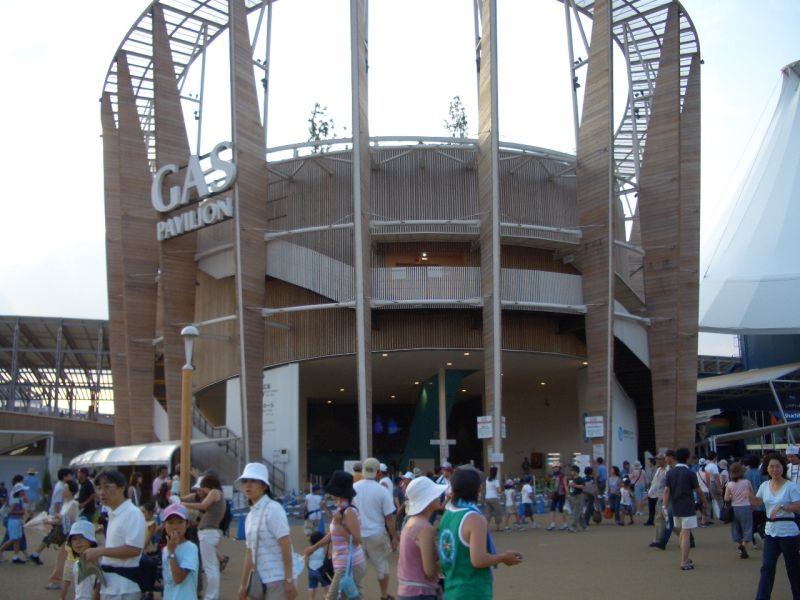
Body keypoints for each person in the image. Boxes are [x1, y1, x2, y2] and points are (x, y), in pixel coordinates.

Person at [437, 468, 522, 599]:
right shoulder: (474, 519)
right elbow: (478, 560)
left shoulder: (447, 516)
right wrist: (504, 557)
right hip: (472, 590)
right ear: (480, 488)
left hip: (451, 589)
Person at [236, 462, 298, 600]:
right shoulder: (250, 516)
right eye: (245, 481)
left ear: (264, 486)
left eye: (253, 481)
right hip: (260, 580)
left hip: (279, 579)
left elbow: (285, 543)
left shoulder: (273, 508)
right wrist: (243, 585)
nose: (248, 485)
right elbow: (249, 552)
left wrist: (289, 579)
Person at [81, 469, 146, 600]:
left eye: (107, 487)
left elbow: (134, 549)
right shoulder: (113, 513)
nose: (102, 492)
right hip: (110, 585)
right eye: (99, 488)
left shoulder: (132, 513)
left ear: (122, 488)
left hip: (125, 587)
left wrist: (100, 551)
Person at [305, 470, 366, 600]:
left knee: (333, 597)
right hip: (347, 564)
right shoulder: (342, 509)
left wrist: (338, 526)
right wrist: (314, 547)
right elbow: (331, 535)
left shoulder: (348, 512)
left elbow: (356, 540)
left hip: (348, 565)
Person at [748, 452, 800, 599]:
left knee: (793, 569)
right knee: (767, 567)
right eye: (771, 467)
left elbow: (798, 506)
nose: (775, 470)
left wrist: (784, 507)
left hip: (789, 532)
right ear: (767, 468)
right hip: (771, 532)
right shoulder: (765, 485)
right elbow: (758, 502)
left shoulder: (791, 486)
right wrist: (749, 495)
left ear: (783, 467)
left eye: (778, 466)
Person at [396, 474, 448, 599]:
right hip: (420, 593)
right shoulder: (425, 528)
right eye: (435, 494)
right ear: (428, 501)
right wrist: (449, 561)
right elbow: (429, 570)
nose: (439, 496)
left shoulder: (412, 522)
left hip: (407, 591)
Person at [353, 457, 398, 600]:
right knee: (381, 566)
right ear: (378, 472)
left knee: (358, 568)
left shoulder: (354, 488)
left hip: (357, 534)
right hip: (377, 533)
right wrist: (394, 537)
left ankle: (357, 596)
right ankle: (384, 595)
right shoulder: (382, 490)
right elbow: (389, 518)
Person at [181, 474, 226, 600]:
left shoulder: (214, 492)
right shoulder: (218, 494)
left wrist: (183, 504)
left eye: (203, 487)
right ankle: (213, 595)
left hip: (207, 532)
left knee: (209, 567)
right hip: (210, 532)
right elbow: (197, 499)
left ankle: (211, 596)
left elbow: (203, 506)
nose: (202, 490)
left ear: (208, 485)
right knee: (213, 567)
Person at [663, 447, 708, 571]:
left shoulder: (670, 473)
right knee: (686, 534)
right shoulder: (690, 473)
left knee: (682, 533)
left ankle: (685, 558)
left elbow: (666, 491)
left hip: (675, 507)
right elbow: (698, 491)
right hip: (687, 506)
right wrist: (705, 502)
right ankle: (684, 561)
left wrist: (664, 506)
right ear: (687, 458)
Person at [39, 479, 79, 590]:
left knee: (63, 559)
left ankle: (56, 581)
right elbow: (61, 519)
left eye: (66, 488)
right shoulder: (66, 503)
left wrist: (53, 520)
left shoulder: (74, 504)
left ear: (71, 491)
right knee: (67, 559)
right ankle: (58, 580)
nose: (63, 490)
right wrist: (52, 520)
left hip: (72, 536)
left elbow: (69, 520)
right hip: (67, 536)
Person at [30, 467, 74, 567]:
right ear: (64, 476)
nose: (71, 477)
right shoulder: (61, 487)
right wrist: (58, 517)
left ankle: (35, 554)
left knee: (53, 537)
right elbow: (57, 504)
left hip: (57, 515)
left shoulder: (61, 485)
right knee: (57, 537)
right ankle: (36, 554)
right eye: (69, 475)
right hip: (57, 515)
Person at [161, 504, 200, 600]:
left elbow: (178, 578)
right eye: (170, 522)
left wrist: (172, 552)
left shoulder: (190, 548)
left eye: (180, 522)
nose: (175, 527)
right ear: (164, 525)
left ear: (187, 524)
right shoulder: (165, 549)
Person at [65, 520, 101, 600]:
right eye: (74, 539)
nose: (78, 542)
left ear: (91, 541)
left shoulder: (96, 563)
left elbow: (99, 588)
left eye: (82, 538)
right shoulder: (77, 563)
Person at [724, 462, 753, 559]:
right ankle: (744, 546)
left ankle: (741, 547)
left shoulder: (729, 484)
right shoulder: (747, 482)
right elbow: (751, 495)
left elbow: (726, 498)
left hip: (734, 508)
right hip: (746, 507)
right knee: (747, 527)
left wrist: (732, 496)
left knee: (736, 529)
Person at [0, 479, 30, 563]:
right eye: (22, 490)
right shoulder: (15, 499)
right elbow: (11, 511)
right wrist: (21, 513)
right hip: (13, 521)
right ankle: (1, 550)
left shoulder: (18, 498)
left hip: (17, 520)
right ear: (19, 491)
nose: (24, 492)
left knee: (17, 539)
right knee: (13, 539)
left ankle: (15, 557)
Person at [745, 454, 768, 548]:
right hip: (762, 502)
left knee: (753, 522)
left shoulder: (746, 474)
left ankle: (754, 542)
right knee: (764, 521)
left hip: (750, 502)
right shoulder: (762, 474)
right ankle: (760, 533)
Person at [305, 530, 330, 600]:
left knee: (312, 587)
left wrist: (309, 568)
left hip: (311, 571)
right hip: (322, 571)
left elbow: (306, 561)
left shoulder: (309, 550)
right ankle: (325, 597)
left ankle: (311, 598)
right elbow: (329, 558)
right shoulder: (323, 550)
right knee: (327, 586)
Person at [547, 465, 569, 531]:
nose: (555, 468)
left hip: (562, 494)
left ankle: (565, 524)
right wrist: (550, 491)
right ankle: (552, 524)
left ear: (559, 468)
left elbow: (565, 485)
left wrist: (567, 494)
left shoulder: (563, 476)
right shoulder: (553, 476)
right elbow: (551, 485)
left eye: (556, 467)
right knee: (552, 508)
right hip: (555, 494)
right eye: (554, 467)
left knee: (561, 509)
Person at [483, 466, 503, 533]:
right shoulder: (495, 480)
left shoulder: (487, 479)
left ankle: (485, 527)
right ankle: (498, 527)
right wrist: (501, 491)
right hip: (494, 498)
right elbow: (498, 490)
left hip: (487, 497)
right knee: (498, 513)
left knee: (488, 513)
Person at [566, 465, 585, 532]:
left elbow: (583, 486)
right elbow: (570, 487)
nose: (571, 472)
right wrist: (568, 490)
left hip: (579, 496)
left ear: (576, 471)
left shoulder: (580, 479)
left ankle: (573, 527)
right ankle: (584, 526)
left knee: (575, 512)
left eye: (572, 471)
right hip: (572, 496)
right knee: (578, 513)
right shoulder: (572, 479)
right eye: (571, 471)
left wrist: (575, 485)